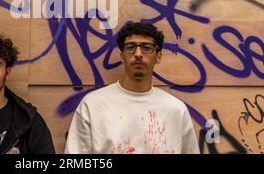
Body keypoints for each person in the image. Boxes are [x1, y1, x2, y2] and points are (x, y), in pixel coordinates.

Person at [64, 22, 200, 154]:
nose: (138, 54)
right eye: (130, 47)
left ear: (158, 56)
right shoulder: (93, 105)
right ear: (122, 56)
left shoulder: (176, 110)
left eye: (146, 47)